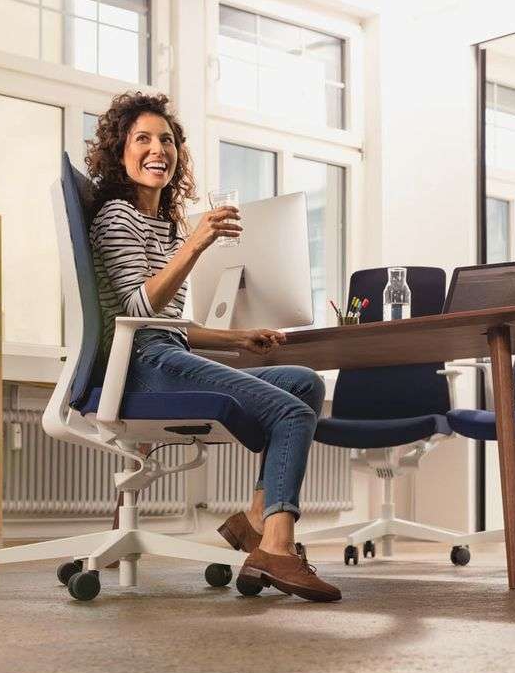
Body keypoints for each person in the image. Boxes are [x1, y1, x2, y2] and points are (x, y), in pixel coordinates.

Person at [85, 91, 340, 603]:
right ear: (120, 152)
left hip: (167, 353)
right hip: (141, 367)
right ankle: (278, 549)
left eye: (168, 139)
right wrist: (195, 245)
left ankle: (254, 524)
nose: (159, 148)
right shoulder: (116, 216)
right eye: (143, 139)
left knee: (303, 383)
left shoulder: (163, 224)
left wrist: (235, 338)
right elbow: (136, 313)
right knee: (289, 413)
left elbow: (169, 322)